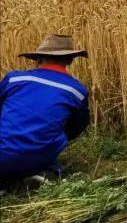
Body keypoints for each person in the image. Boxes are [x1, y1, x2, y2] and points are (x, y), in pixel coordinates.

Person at [0, 35, 90, 186]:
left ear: (38, 59)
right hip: (40, 161)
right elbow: (77, 127)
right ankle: (32, 172)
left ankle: (10, 178)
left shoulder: (14, 79)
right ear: (70, 60)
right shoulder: (77, 91)